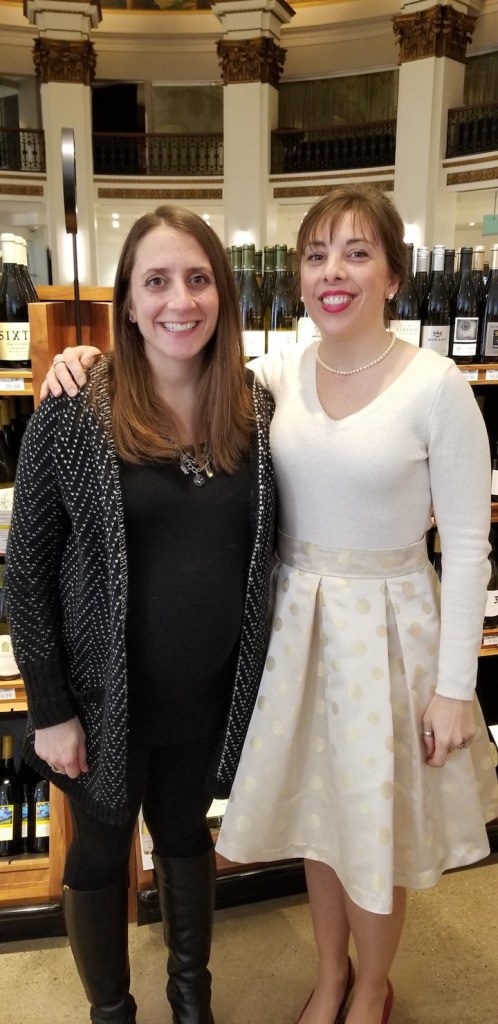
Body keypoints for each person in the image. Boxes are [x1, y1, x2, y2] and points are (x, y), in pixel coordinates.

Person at [41, 186, 498, 1024]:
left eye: (357, 253)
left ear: (395, 274)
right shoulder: (277, 374)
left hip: (387, 635)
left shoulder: (437, 388)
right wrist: (85, 358)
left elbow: (468, 547)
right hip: (297, 636)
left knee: (374, 828)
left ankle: (369, 988)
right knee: (322, 819)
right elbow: (168, 367)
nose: (334, 273)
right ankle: (328, 977)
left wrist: (454, 686)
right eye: (317, 255)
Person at [5, 205, 276, 1024]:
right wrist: (50, 710)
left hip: (207, 698)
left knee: (186, 836)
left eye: (197, 279)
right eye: (156, 281)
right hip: (100, 704)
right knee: (98, 849)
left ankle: (192, 1001)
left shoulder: (255, 409)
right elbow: (26, 573)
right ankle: (112, 1013)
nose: (179, 301)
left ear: (222, 294)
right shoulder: (75, 409)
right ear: (126, 300)